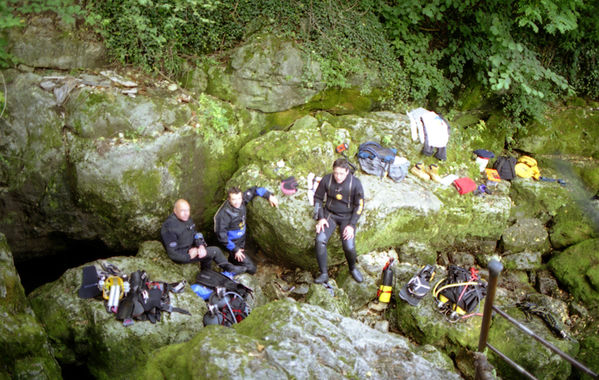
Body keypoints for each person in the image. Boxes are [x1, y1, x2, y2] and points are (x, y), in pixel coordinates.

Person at [313, 158, 365, 283]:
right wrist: (320, 217)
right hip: (330, 214)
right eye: (336, 173)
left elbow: (360, 205)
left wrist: (352, 225)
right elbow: (318, 198)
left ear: (347, 172)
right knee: (320, 240)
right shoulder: (327, 179)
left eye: (341, 173)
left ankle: (352, 268)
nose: (338, 176)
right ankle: (324, 273)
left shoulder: (355, 183)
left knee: (348, 245)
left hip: (347, 216)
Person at [161, 199, 246, 274]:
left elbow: (195, 233)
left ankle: (206, 272)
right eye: (182, 211)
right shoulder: (169, 227)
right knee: (215, 251)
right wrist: (188, 256)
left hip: (192, 248)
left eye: (188, 210)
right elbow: (173, 253)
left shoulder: (186, 218)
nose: (186, 213)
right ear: (175, 211)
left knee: (205, 252)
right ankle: (230, 269)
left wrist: (200, 245)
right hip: (184, 254)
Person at [214, 186, 278, 274]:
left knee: (250, 251)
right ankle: (232, 268)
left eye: (239, 198)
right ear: (229, 199)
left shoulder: (242, 201)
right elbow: (221, 236)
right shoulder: (223, 215)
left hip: (242, 238)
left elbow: (255, 190)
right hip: (232, 243)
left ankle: (235, 261)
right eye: (234, 199)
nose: (237, 202)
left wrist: (269, 195)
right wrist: (235, 249)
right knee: (252, 269)